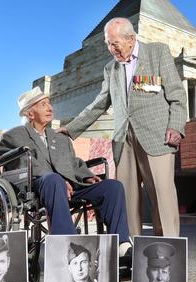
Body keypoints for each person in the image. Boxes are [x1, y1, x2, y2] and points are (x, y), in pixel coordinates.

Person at [59, 17, 187, 238]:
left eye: (114, 43)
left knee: (161, 195)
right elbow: (98, 104)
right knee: (127, 199)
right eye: (108, 44)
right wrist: (70, 129)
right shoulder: (111, 69)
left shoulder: (157, 53)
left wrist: (176, 126)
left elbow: (176, 94)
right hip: (123, 141)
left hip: (157, 136)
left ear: (131, 38)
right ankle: (131, 249)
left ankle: (168, 249)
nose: (111, 49)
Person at [0, 86, 131, 249]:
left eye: (49, 103)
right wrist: (60, 180)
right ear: (30, 114)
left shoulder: (60, 138)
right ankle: (68, 245)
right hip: (37, 186)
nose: (50, 108)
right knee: (54, 180)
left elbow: (73, 162)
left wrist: (86, 176)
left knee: (113, 187)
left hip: (69, 186)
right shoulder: (13, 136)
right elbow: (22, 163)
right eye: (43, 105)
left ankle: (121, 245)